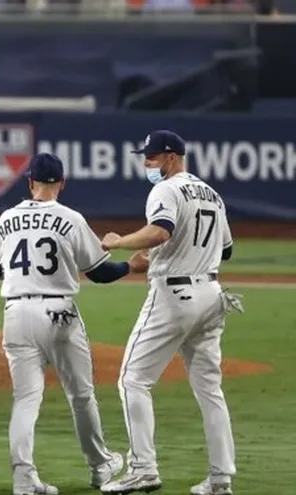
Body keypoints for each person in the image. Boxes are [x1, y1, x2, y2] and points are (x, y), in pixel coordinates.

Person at [0, 153, 146, 495]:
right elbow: (99, 272)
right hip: (59, 312)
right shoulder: (70, 218)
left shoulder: (7, 219)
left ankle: (23, 479)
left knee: (25, 399)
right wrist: (130, 266)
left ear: (30, 182)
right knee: (81, 395)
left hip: (16, 312)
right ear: (62, 183)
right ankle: (100, 467)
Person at [100, 131, 238, 495]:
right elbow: (225, 250)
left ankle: (143, 469)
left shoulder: (166, 189)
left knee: (133, 380)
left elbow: (160, 232)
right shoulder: (212, 194)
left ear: (171, 157)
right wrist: (173, 254)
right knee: (210, 389)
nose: (146, 162)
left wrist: (120, 241)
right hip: (212, 295)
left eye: (152, 157)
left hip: (175, 295)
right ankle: (221, 478)